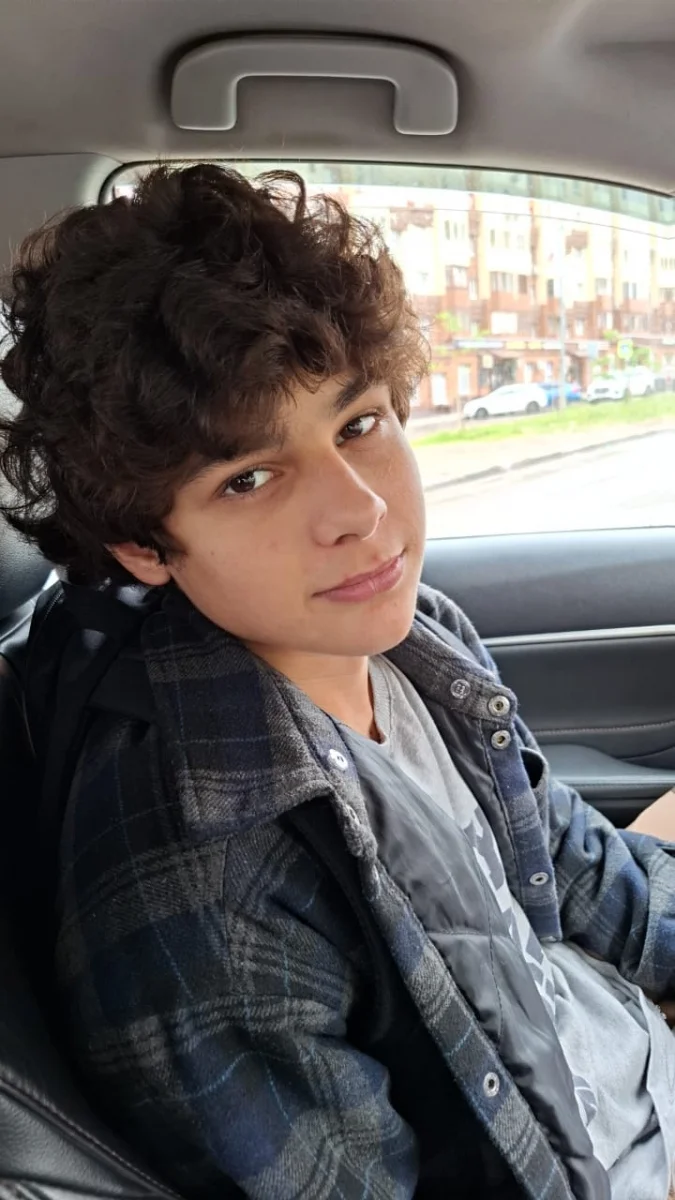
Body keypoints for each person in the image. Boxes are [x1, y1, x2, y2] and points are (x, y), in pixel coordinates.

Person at [0, 163, 674, 1200]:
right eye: (250, 478)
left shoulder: (408, 641)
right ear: (143, 544)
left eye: (357, 423)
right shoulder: (213, 898)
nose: (360, 509)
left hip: (620, 1052)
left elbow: (570, 868)